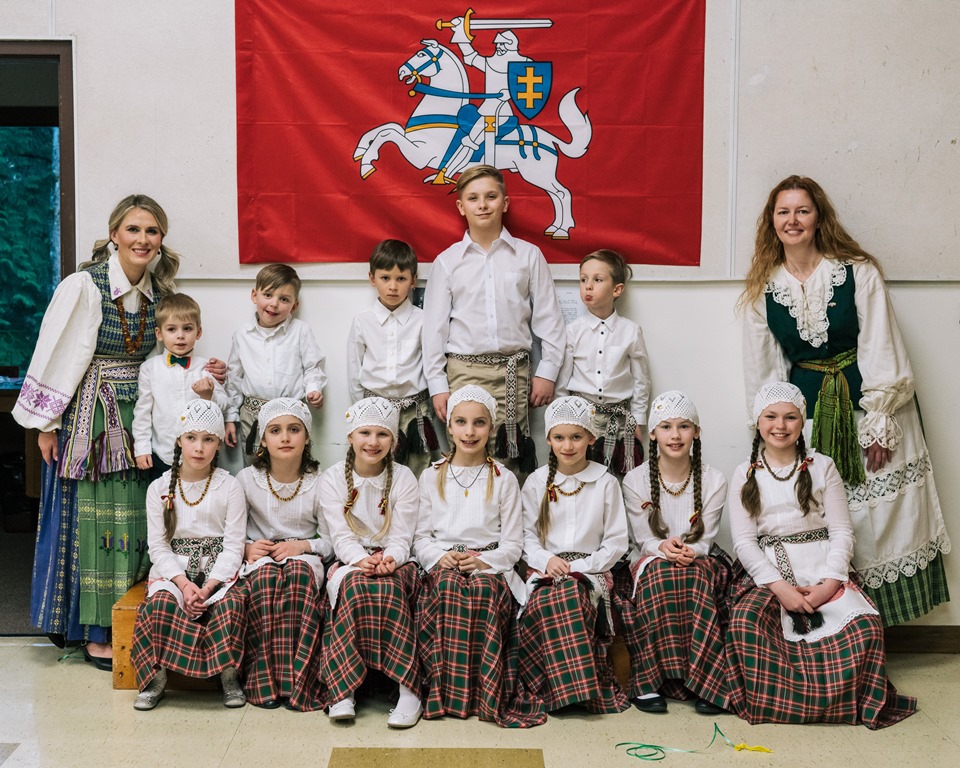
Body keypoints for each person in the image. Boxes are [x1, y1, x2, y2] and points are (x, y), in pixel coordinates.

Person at [740, 175, 949, 626]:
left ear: (819, 218)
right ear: (771, 222)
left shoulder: (857, 271)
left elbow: (881, 343)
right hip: (809, 414)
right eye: (783, 212)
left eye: (802, 210)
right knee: (825, 513)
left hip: (869, 406)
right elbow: (764, 372)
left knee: (878, 516)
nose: (793, 220)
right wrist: (772, 426)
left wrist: (879, 418)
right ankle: (836, 623)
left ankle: (878, 624)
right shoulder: (764, 289)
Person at [12, 194, 180, 666]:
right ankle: (90, 628)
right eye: (133, 229)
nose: (142, 239)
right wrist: (47, 426)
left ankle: (130, 622)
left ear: (161, 239)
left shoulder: (161, 293)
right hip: (90, 416)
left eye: (151, 231)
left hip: (140, 418)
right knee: (91, 518)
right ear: (114, 235)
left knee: (135, 519)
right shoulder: (84, 287)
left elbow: (166, 357)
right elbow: (55, 352)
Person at [725, 382, 916, 728]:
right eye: (771, 417)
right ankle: (781, 704)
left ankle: (838, 705)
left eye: (790, 417)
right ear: (757, 422)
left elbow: (842, 531)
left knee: (865, 627)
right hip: (770, 574)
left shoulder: (822, 466)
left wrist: (829, 585)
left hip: (823, 566)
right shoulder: (744, 473)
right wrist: (781, 590)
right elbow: (744, 542)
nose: (780, 426)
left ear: (802, 421)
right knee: (745, 623)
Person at [422, 165, 565, 475]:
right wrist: (437, 385)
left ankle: (507, 508)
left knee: (509, 459)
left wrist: (548, 372)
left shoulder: (528, 256)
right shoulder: (448, 262)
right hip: (463, 371)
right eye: (473, 198)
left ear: (505, 203)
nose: (483, 205)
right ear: (461, 206)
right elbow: (433, 330)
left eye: (491, 196)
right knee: (467, 453)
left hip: (514, 373)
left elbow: (550, 320)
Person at [413, 385, 538, 726]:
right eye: (462, 422)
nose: (470, 432)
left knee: (483, 591)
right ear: (449, 427)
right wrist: (439, 558)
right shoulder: (431, 476)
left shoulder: (504, 479)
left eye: (479, 423)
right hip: (444, 562)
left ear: (491, 427)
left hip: (489, 566)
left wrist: (485, 561)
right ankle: (447, 695)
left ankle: (485, 695)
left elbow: (513, 544)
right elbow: (420, 538)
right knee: (448, 589)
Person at [617, 391, 730, 715]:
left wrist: (690, 551)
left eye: (684, 426)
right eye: (666, 426)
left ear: (696, 432)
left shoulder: (714, 480)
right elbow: (644, 539)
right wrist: (662, 548)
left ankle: (707, 684)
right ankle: (647, 682)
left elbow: (705, 539)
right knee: (659, 576)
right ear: (653, 433)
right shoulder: (635, 479)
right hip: (652, 558)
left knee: (695, 579)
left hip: (699, 557)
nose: (675, 435)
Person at [130, 400, 247, 711]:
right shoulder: (158, 488)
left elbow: (234, 546)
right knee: (160, 605)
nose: (199, 447)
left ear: (218, 443)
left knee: (231, 605)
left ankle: (228, 675)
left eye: (208, 439)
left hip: (217, 573)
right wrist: (183, 585)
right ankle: (155, 679)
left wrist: (208, 587)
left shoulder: (230, 486)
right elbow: (158, 547)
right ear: (179, 440)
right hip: (174, 573)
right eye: (191, 438)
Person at [517, 396, 629, 717]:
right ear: (549, 439)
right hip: (545, 568)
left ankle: (575, 691)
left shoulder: (605, 482)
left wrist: (578, 567)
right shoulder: (537, 482)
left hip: (591, 570)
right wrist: (546, 561)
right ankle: (552, 688)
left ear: (591, 438)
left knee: (570, 594)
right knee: (544, 600)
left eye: (576, 437)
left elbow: (615, 543)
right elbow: (526, 536)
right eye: (560, 437)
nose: (568, 446)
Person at [317, 397, 423, 728]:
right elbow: (340, 536)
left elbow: (402, 536)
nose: (373, 442)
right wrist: (362, 560)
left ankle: (408, 689)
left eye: (382, 434)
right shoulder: (333, 478)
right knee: (354, 587)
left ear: (394, 441)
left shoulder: (404, 477)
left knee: (390, 589)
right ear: (351, 437)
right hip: (351, 560)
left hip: (395, 560)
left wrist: (390, 558)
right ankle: (343, 689)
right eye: (365, 433)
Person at [236, 397, 332, 710]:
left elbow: (331, 541)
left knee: (299, 577)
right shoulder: (246, 480)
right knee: (265, 581)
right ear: (263, 440)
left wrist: (303, 546)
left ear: (307, 437)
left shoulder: (320, 482)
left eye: (294, 429)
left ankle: (299, 684)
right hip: (262, 556)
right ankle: (264, 682)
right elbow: (231, 533)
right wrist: (247, 548)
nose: (286, 437)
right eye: (275, 431)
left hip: (303, 554)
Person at [347, 239, 440, 477]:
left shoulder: (423, 320)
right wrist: (362, 411)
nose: (393, 287)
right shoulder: (362, 320)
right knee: (375, 468)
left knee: (418, 467)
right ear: (372, 278)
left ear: (413, 280)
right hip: (375, 409)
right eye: (385, 278)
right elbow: (354, 369)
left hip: (415, 411)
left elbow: (432, 365)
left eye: (401, 279)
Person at [556, 249, 650, 477]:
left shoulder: (630, 331)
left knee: (618, 476)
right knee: (580, 474)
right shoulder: (572, 331)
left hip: (619, 421)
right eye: (583, 280)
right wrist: (561, 417)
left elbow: (641, 379)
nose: (588, 286)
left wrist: (638, 420)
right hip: (581, 417)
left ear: (617, 289)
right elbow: (562, 382)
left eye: (597, 280)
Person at [224, 264, 326, 462]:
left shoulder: (301, 331)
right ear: (255, 295)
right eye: (268, 295)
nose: (274, 304)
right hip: (252, 416)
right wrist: (230, 417)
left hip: (290, 415)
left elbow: (313, 366)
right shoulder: (242, 335)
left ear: (294, 306)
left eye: (284, 299)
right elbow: (234, 378)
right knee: (255, 466)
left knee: (291, 465)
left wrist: (314, 389)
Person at [133, 293, 228, 475]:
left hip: (201, 455)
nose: (180, 336)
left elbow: (224, 404)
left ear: (198, 332)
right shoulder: (149, 369)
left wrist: (208, 396)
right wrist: (142, 448)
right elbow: (142, 413)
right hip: (162, 453)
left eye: (187, 329)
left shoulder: (207, 367)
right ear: (159, 334)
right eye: (171, 329)